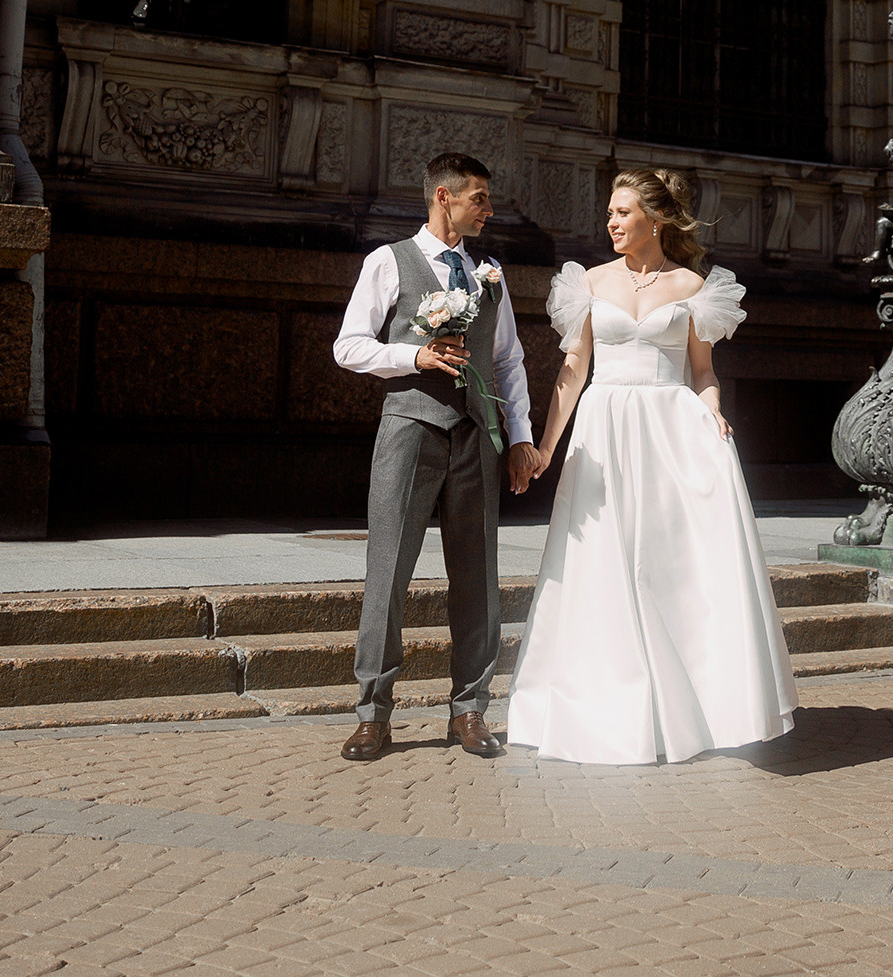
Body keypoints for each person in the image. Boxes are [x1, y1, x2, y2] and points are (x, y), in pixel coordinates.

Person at [508, 168, 798, 764]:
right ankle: (607, 707)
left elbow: (702, 372)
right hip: (605, 432)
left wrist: (713, 413)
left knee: (669, 570)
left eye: (622, 212)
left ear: (656, 219)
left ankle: (689, 711)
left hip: (672, 434)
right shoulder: (586, 282)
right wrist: (545, 448)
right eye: (609, 213)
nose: (611, 223)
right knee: (604, 566)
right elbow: (573, 373)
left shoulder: (694, 286)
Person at [330, 152, 544, 762]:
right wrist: (412, 357)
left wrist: (521, 437)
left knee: (477, 576)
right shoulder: (388, 261)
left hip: (477, 435)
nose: (490, 209)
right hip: (409, 432)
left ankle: (470, 710)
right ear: (445, 197)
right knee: (388, 574)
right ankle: (373, 713)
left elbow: (508, 361)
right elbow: (347, 347)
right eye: (480, 197)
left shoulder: (488, 274)